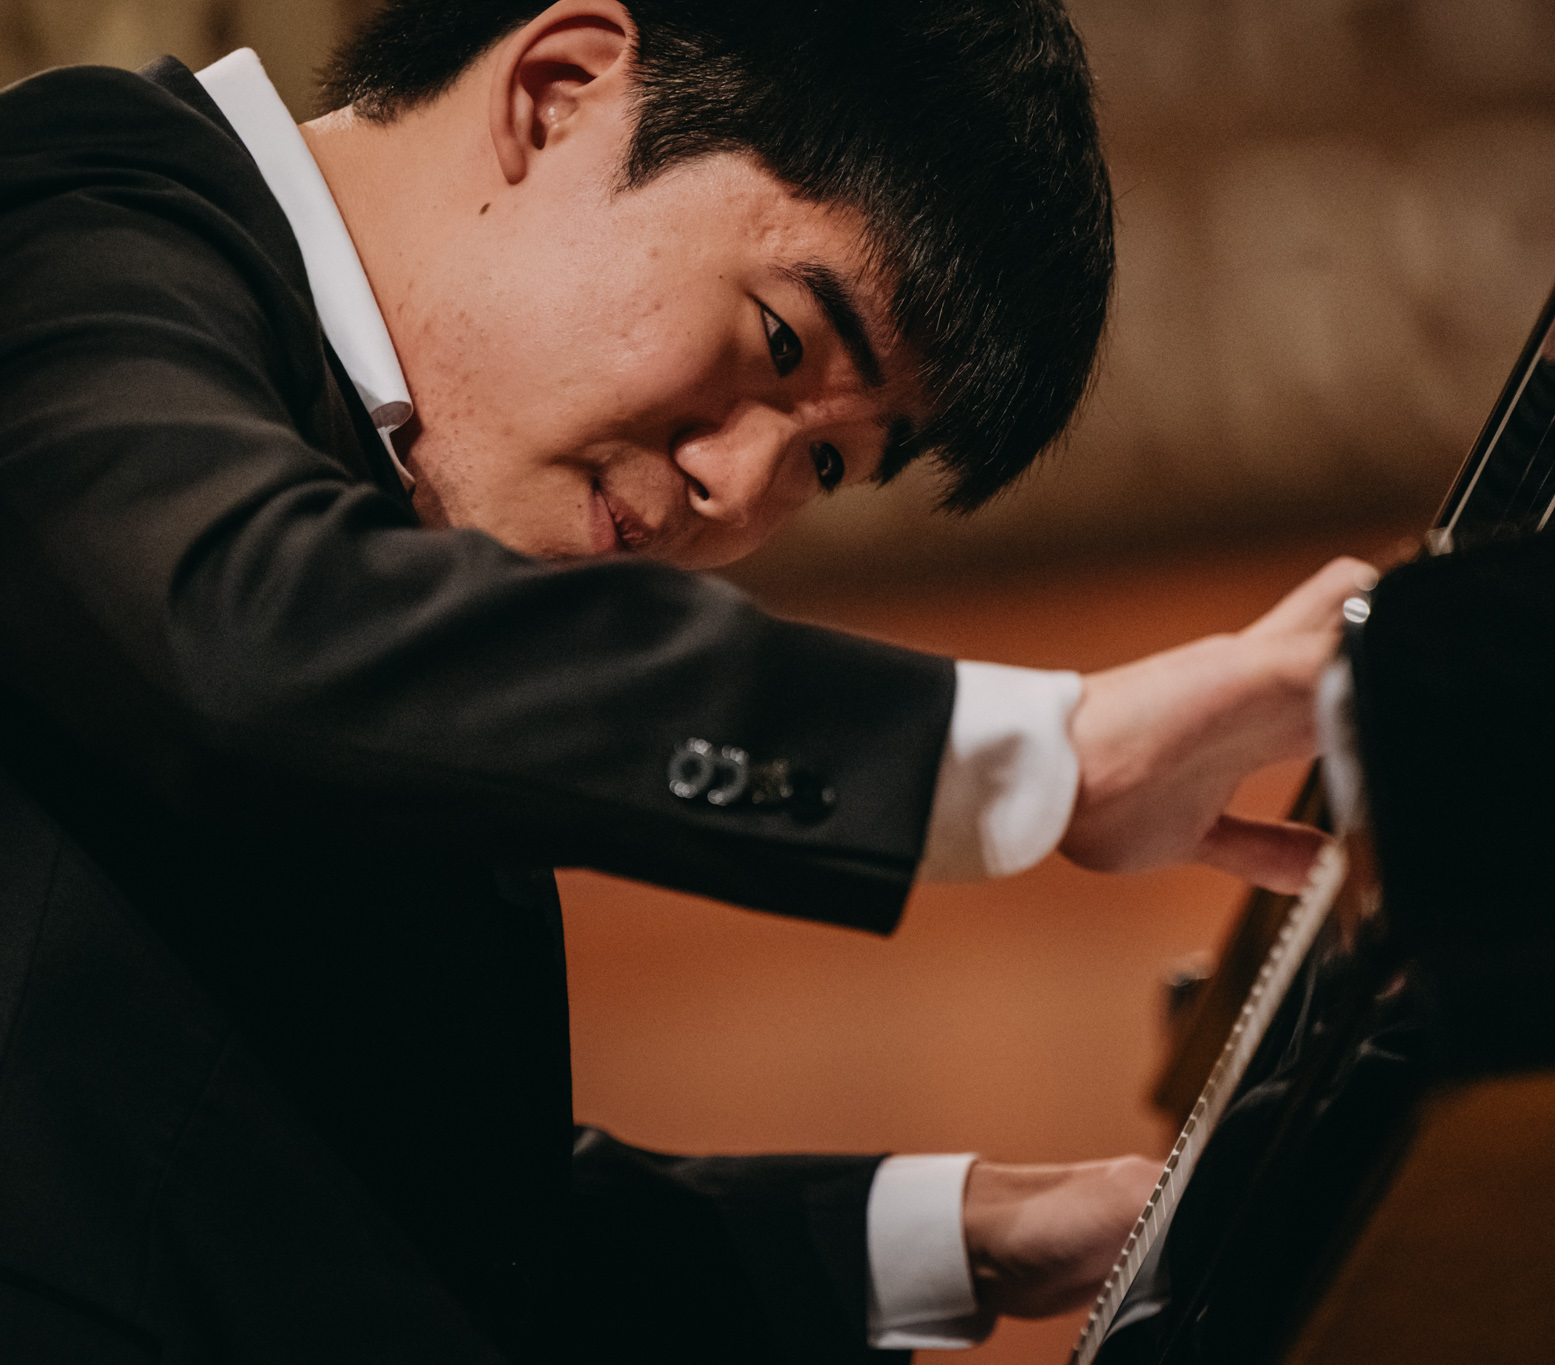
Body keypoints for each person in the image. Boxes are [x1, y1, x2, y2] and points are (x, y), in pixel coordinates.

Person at [0, 1, 1365, 1360]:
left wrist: (965, 1227)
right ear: (560, 89)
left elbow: (393, 1230)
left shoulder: (417, 610)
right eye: (780, 344)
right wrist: (1043, 752)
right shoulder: (69, 204)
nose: (739, 491)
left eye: (827, 465)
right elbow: (239, 636)